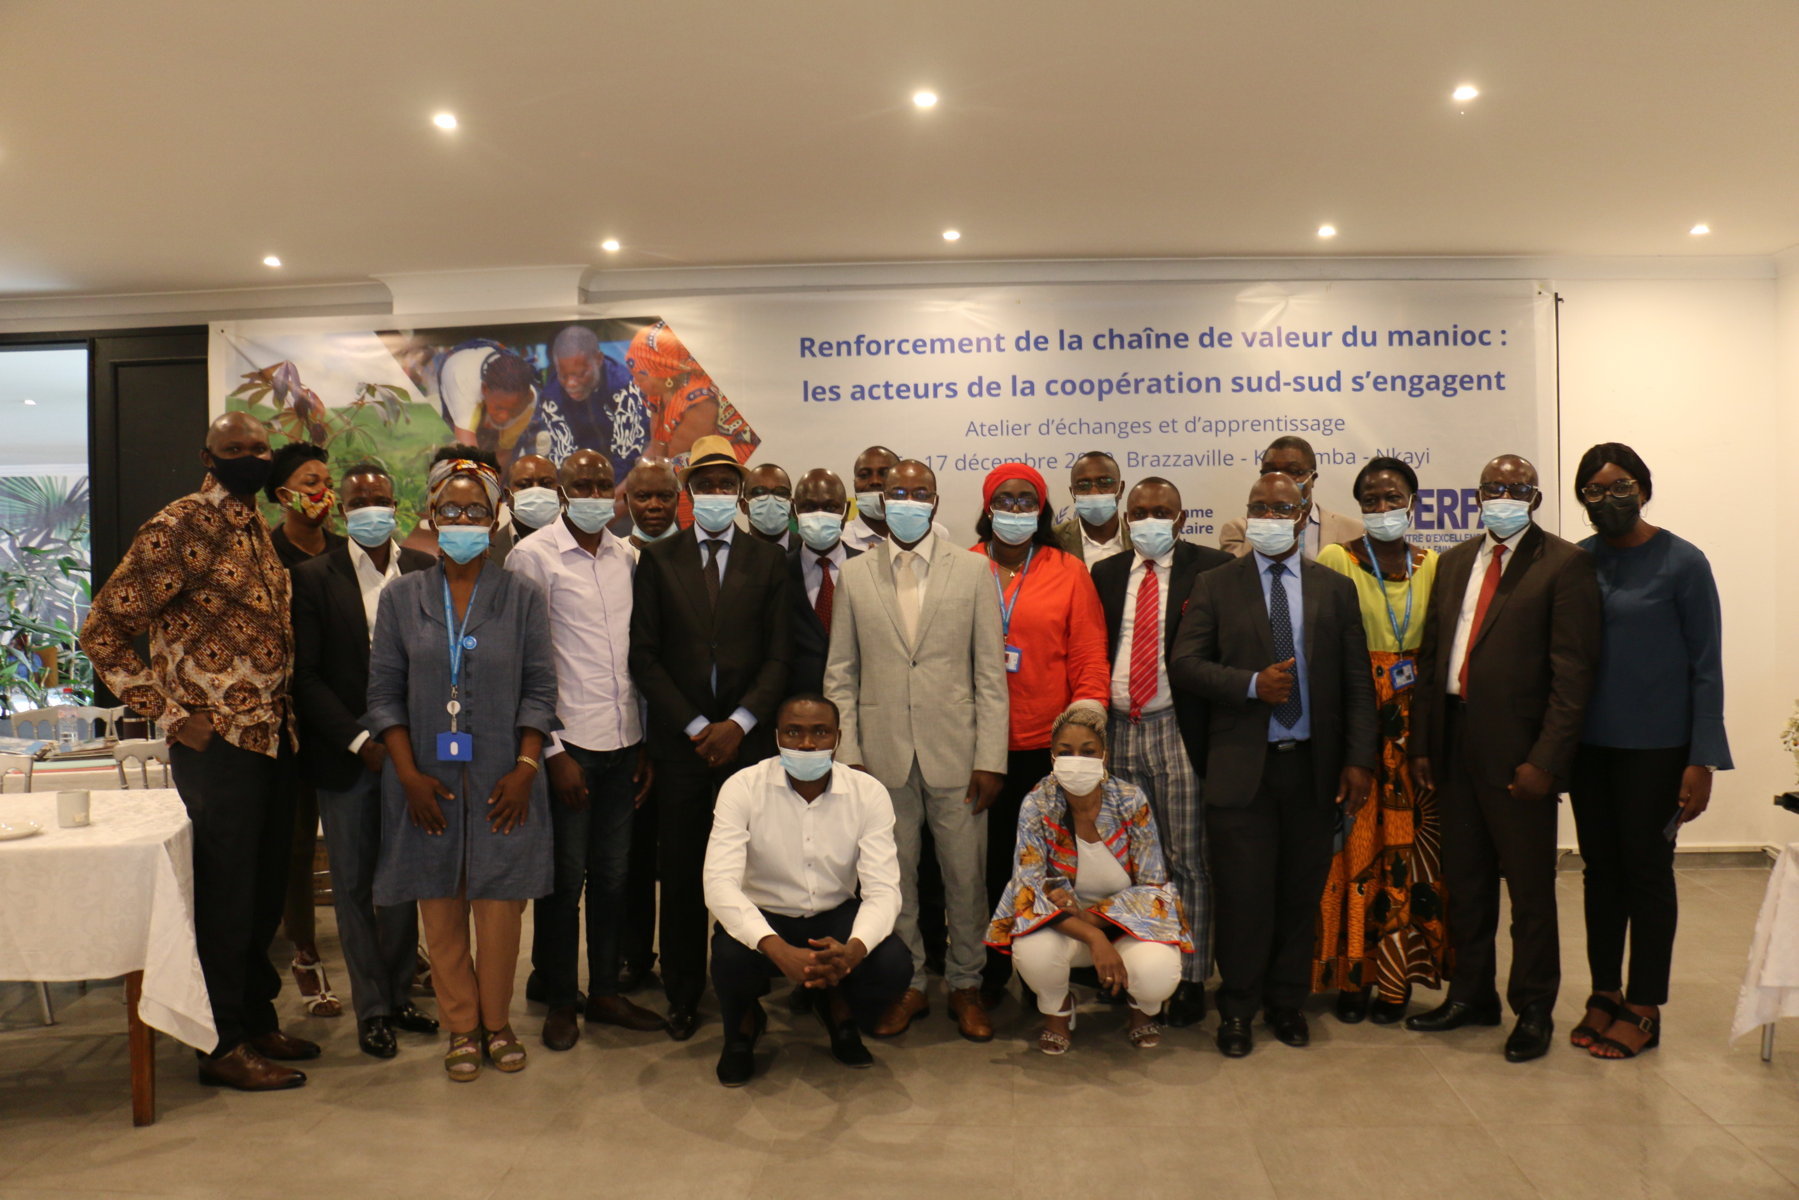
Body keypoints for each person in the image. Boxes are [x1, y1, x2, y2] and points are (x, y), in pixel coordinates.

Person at [82, 410, 316, 1090]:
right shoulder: (178, 526)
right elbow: (102, 630)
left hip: (273, 737)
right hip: (219, 744)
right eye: (234, 447)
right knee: (225, 896)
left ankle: (256, 1018)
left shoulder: (255, 528)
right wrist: (172, 716)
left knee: (263, 892)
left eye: (259, 447)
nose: (251, 456)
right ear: (208, 457)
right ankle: (220, 1045)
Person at [365, 449, 559, 1080]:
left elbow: (540, 689)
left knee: (500, 909)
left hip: (507, 780)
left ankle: (497, 1022)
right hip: (425, 781)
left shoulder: (522, 596)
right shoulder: (402, 598)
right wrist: (408, 777)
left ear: (496, 518)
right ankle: (460, 1027)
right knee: (440, 906)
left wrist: (526, 768)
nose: (463, 520)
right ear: (430, 515)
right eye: (450, 510)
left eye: (476, 511)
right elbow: (383, 696)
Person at [1169, 472, 1376, 1058]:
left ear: (1303, 512)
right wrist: (1250, 685)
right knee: (1243, 896)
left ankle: (1287, 1003)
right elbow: (1185, 664)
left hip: (1313, 768)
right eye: (1258, 508)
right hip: (1243, 769)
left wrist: (1358, 760)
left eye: (1281, 508)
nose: (1268, 517)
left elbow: (1357, 682)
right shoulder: (1216, 584)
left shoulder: (1335, 588)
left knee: (1298, 894)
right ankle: (1237, 1008)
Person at [1406, 454, 1602, 1063]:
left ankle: (1534, 1008)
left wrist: (1546, 759)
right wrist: (1422, 743)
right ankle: (1472, 995)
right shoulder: (1454, 561)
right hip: (1454, 744)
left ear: (1535, 499)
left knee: (1530, 893)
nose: (1503, 497)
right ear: (1477, 496)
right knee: (1465, 884)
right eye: (1493, 488)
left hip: (1521, 757)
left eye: (1517, 489)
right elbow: (1433, 658)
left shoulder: (1565, 565)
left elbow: (1573, 676)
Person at [824, 458, 1008, 1042]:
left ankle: (966, 983)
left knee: (966, 879)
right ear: (880, 499)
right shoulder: (855, 575)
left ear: (935, 500)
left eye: (919, 492)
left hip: (959, 756)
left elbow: (989, 674)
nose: (907, 501)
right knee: (893, 881)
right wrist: (849, 756)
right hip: (881, 760)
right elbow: (841, 675)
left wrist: (991, 758)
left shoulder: (973, 570)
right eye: (896, 492)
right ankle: (909, 983)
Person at [1566, 444, 1730, 1060]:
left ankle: (1644, 1004)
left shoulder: (1684, 562)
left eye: (1621, 486)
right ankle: (1605, 992)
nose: (1609, 499)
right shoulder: (1577, 561)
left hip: (1658, 751)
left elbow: (1707, 666)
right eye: (1595, 490)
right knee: (1600, 872)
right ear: (1582, 499)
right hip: (1590, 749)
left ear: (1644, 488)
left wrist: (1702, 758)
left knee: (1648, 873)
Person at [628, 434, 792, 1040]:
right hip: (683, 748)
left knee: (748, 875)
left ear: (740, 492)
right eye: (705, 484)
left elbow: (780, 656)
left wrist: (739, 724)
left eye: (726, 484)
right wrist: (699, 728)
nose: (716, 492)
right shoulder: (659, 559)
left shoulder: (769, 561)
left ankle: (742, 991)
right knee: (682, 875)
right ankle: (682, 992)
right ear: (689, 492)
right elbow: (644, 657)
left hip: (749, 746)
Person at [506, 449, 665, 1049]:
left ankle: (603, 992)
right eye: (583, 485)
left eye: (603, 485)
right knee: (563, 881)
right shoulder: (532, 556)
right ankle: (559, 998)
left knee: (615, 877)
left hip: (624, 741)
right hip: (569, 745)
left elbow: (635, 655)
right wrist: (550, 753)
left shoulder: (629, 557)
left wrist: (643, 740)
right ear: (564, 491)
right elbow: (528, 662)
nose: (595, 494)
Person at [289, 461, 440, 1058]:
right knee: (353, 887)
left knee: (403, 881)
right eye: (358, 501)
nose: (370, 509)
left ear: (396, 506)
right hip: (348, 758)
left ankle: (400, 994)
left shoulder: (424, 569)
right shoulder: (312, 577)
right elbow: (306, 677)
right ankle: (371, 1009)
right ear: (342, 509)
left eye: (380, 499)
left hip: (414, 757)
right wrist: (361, 742)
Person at [703, 694, 911, 1086]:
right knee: (729, 955)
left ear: (838, 738)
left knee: (893, 964)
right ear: (776, 737)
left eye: (820, 732)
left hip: (834, 915)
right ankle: (744, 1025)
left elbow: (884, 890)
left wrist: (852, 953)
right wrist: (777, 949)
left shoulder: (868, 793)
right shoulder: (742, 787)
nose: (807, 744)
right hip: (766, 915)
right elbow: (718, 884)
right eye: (793, 732)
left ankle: (836, 1006)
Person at [1090, 477, 1231, 1026]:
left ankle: (1190, 977)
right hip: (1118, 732)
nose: (1150, 521)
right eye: (1140, 512)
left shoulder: (1213, 569)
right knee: (1125, 864)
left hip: (1177, 728)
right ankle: (1132, 970)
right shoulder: (1105, 573)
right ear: (1126, 519)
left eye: (1162, 512)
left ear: (1182, 518)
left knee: (1188, 860)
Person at [1311, 457, 1446, 1026]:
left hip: (1418, 730)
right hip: (1358, 722)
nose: (1383, 508)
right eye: (1371, 500)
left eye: (1393, 498)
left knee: (1408, 856)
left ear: (1413, 501)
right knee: (1354, 854)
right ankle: (1353, 977)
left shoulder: (1435, 565)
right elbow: (1324, 652)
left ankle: (1396, 980)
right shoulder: (1335, 560)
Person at [972, 461, 1110, 1008]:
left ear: (1043, 509)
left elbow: (1089, 657)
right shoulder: (965, 566)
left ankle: (1044, 975)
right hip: (979, 748)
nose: (1015, 510)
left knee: (1050, 868)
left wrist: (1084, 737)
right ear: (988, 509)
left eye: (1025, 500)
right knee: (986, 869)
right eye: (1004, 500)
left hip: (1048, 750)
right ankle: (988, 971)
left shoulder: (1067, 569)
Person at [987, 703, 1189, 1052]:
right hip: (1066, 927)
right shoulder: (1037, 803)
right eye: (1065, 752)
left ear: (1104, 756)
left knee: (1158, 973)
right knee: (1032, 951)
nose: (1076, 760)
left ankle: (1141, 1009)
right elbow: (1027, 889)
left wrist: (1092, 919)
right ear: (1052, 756)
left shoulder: (1130, 800)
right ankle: (1058, 1011)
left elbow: (1154, 887)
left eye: (1088, 751)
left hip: (1128, 925)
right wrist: (1093, 937)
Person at [263, 440, 347, 1019]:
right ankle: (305, 952)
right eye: (309, 483)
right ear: (282, 494)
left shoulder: (345, 552)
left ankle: (394, 945)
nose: (322, 492)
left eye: (326, 482)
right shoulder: (266, 555)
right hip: (287, 722)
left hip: (343, 718)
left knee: (362, 839)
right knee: (296, 845)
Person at [615, 457, 681, 993]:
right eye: (643, 497)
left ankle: (690, 965)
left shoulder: (695, 555)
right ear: (627, 501)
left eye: (664, 496)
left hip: (686, 731)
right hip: (626, 731)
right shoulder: (614, 558)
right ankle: (633, 956)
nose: (654, 506)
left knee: (685, 858)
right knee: (633, 855)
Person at [533, 324, 652, 479]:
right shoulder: (552, 397)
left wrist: (610, 492)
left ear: (598, 359)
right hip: (583, 476)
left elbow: (627, 455)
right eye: (563, 376)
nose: (571, 384)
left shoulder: (624, 387)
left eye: (580, 374)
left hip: (628, 474)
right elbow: (564, 459)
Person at [1218, 436, 1363, 559]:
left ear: (1313, 478)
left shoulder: (1355, 531)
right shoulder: (1240, 530)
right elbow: (1234, 577)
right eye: (1269, 471)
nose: (1280, 479)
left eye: (1293, 471)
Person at [787, 468, 860, 696]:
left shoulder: (870, 569)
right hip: (796, 704)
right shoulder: (776, 572)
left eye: (830, 508)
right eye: (809, 507)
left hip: (859, 700)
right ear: (794, 511)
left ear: (846, 510)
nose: (819, 515)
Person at [841, 444, 949, 552]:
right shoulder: (841, 538)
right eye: (864, 475)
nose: (875, 481)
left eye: (884, 474)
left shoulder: (937, 533)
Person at [1052, 450, 1134, 565]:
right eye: (1083, 485)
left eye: (1104, 483)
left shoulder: (1140, 538)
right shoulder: (1053, 540)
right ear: (1072, 492)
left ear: (1121, 489)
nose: (1094, 492)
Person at [490, 453, 561, 568]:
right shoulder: (487, 552)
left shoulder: (581, 542)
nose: (536, 492)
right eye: (524, 485)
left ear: (560, 493)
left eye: (546, 484)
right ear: (507, 495)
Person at [741, 462, 793, 549]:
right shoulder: (731, 552)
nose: (771, 501)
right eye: (759, 492)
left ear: (792, 505)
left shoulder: (807, 550)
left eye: (780, 493)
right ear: (743, 506)